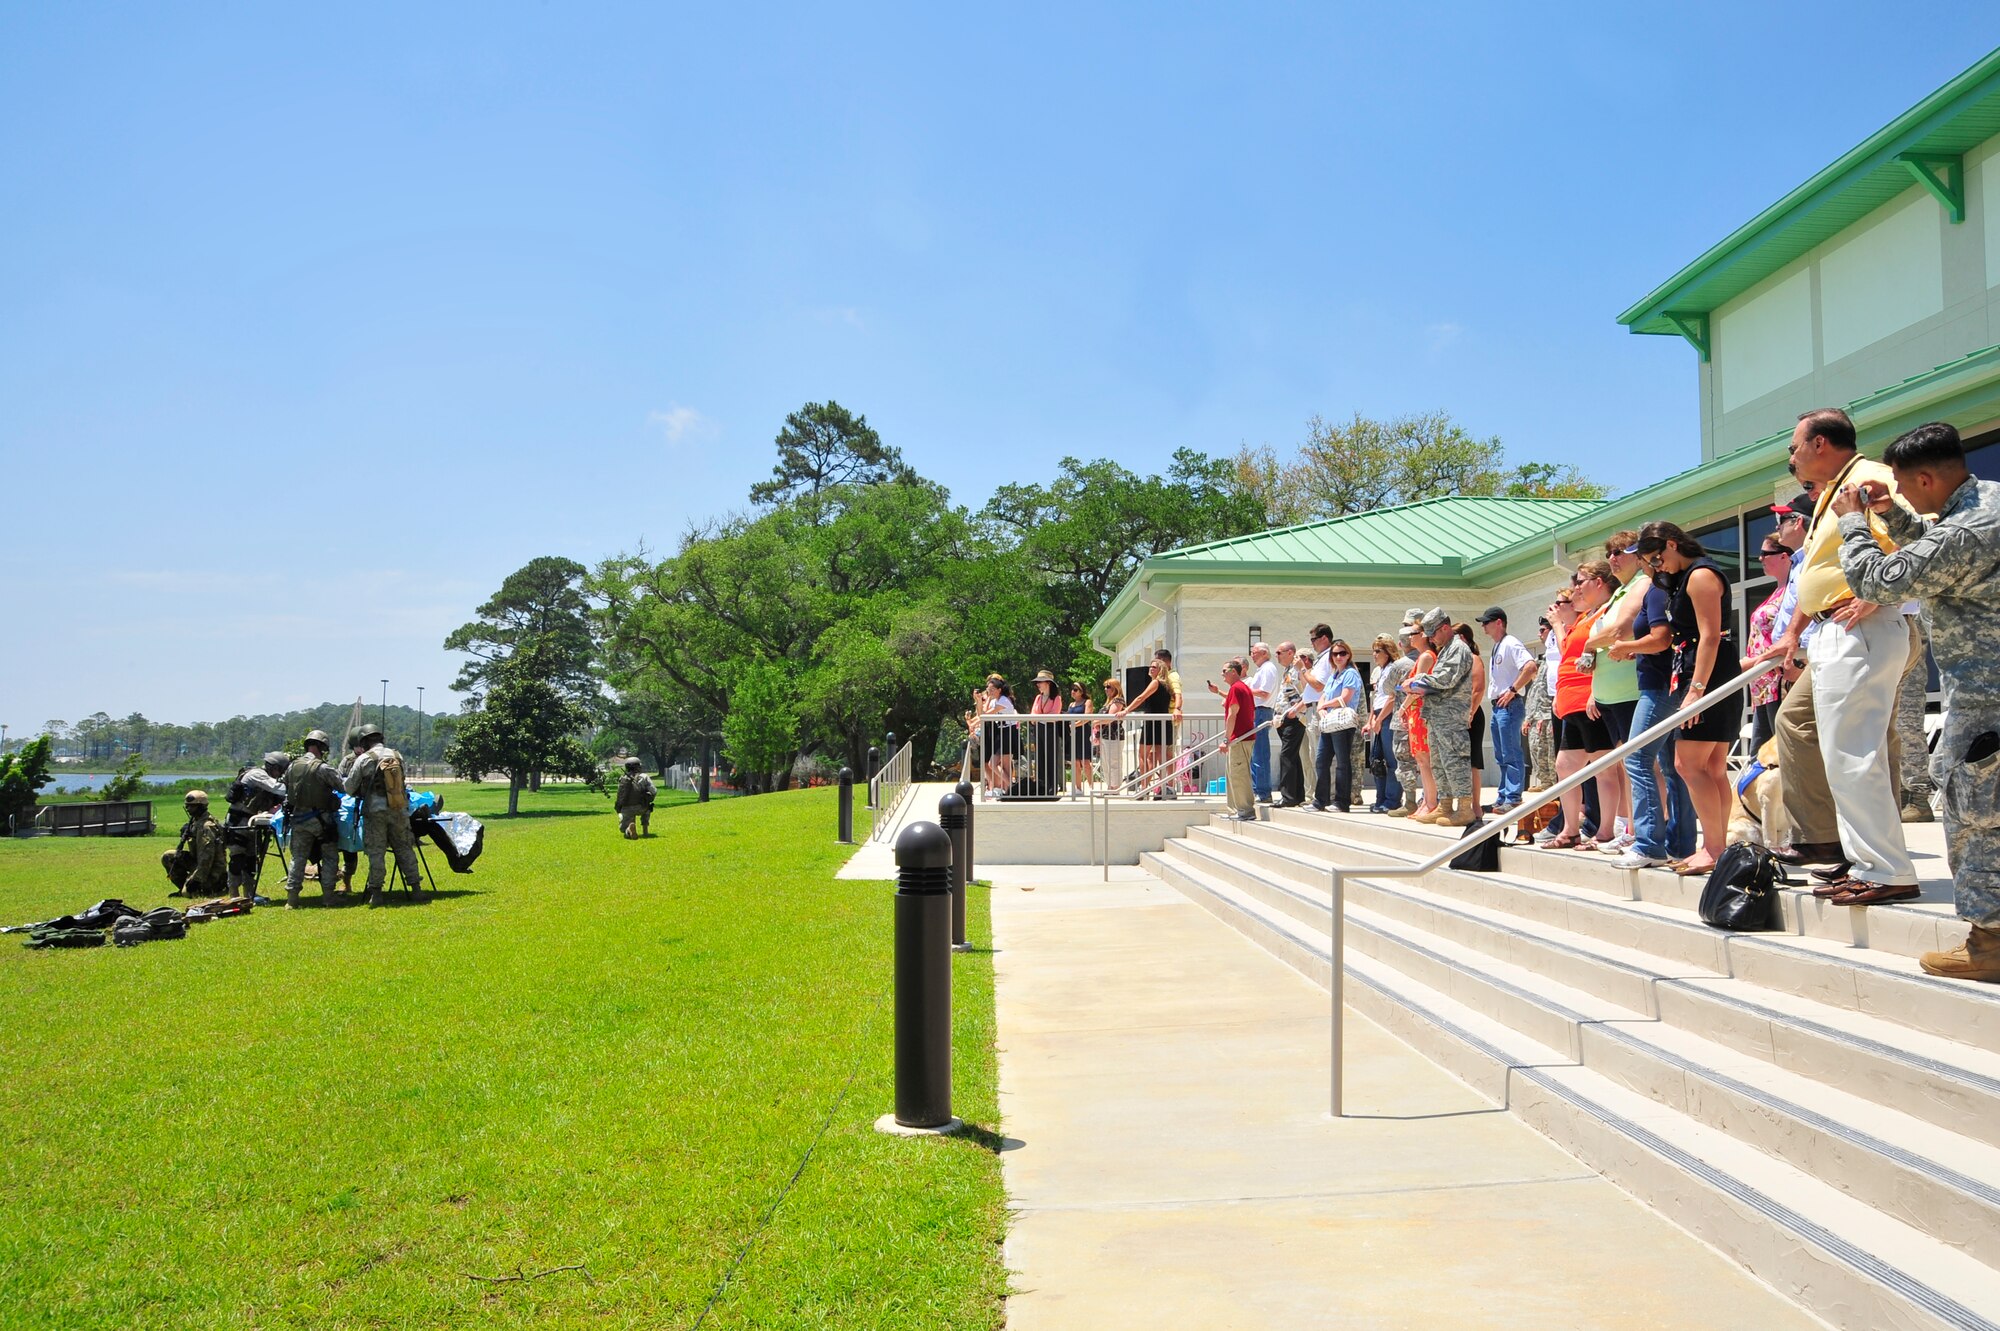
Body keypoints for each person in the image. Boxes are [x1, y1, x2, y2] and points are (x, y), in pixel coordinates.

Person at [1832, 421, 2000, 978]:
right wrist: (1895, 517)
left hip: (1985, 699)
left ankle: (1989, 943)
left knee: (1977, 817)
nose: (1900, 493)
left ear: (1926, 478)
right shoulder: (1986, 504)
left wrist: (1854, 522)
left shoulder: (1967, 531)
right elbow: (1938, 549)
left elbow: (1878, 581)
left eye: (1904, 486)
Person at [1774, 407, 1920, 904]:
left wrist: (1877, 595)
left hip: (1861, 627)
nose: (1791, 457)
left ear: (1820, 443)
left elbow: (1921, 535)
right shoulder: (1836, 491)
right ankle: (1864, 862)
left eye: (1794, 446)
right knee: (1842, 756)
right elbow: (1821, 571)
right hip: (1834, 629)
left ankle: (1887, 870)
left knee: (1855, 755)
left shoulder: (1873, 478)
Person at [1636, 522, 1745, 878]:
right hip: (1704, 669)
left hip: (1706, 673)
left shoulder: (1700, 575)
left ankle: (1713, 848)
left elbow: (1711, 636)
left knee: (1687, 764)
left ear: (1672, 544)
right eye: (1649, 563)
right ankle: (1717, 846)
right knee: (1711, 767)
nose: (1656, 566)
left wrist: (1696, 690)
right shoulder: (1684, 576)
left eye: (1657, 558)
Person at [1547, 566, 1620, 850]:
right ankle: (1570, 829)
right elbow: (1569, 654)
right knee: (1565, 766)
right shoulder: (1584, 619)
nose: (1575, 588)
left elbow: (1600, 655)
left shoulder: (1603, 614)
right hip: (1571, 702)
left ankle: (1606, 830)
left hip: (1589, 700)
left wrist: (1594, 692)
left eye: (1579, 583)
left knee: (1603, 768)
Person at [1405, 609, 1478, 826]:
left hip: (1451, 717)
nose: (1431, 639)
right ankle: (1445, 805)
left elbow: (1446, 678)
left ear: (1445, 628)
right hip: (1437, 716)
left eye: (1433, 633)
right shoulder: (1446, 649)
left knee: (1454, 761)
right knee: (1439, 762)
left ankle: (1464, 809)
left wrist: (1417, 681)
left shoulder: (1458, 648)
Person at [343, 721, 422, 907]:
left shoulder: (364, 759)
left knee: (376, 852)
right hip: (398, 809)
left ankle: (376, 893)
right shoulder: (397, 756)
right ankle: (416, 889)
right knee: (404, 848)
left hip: (374, 811)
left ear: (364, 742)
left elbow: (349, 788)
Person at [1479, 608, 1535, 814]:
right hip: (1499, 706)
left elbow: (1530, 667)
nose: (1483, 627)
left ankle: (1513, 797)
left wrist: (1512, 690)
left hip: (1509, 705)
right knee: (1501, 755)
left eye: (1486, 622)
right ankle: (1503, 796)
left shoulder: (1511, 643)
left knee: (1510, 752)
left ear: (1499, 622)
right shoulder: (1498, 645)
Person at [282, 730, 345, 906]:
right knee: (330, 856)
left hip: (298, 819)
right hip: (321, 820)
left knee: (298, 858)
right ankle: (328, 897)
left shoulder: (292, 766)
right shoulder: (323, 768)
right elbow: (342, 786)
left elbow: (285, 786)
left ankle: (292, 900)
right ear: (322, 748)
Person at [1745, 531, 1795, 752]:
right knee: (1761, 756)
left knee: (1781, 753)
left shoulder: (1792, 591)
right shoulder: (1777, 592)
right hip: (1763, 685)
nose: (1760, 558)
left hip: (1781, 681)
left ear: (1784, 556)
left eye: (1765, 553)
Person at [225, 751, 290, 893]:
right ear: (273, 767)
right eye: (281, 770)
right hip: (239, 821)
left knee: (251, 859)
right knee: (237, 857)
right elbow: (278, 789)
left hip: (253, 821)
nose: (280, 774)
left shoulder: (267, 777)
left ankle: (249, 894)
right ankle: (233, 893)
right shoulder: (257, 774)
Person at [1312, 637, 1362, 812]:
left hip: (1342, 723)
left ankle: (1341, 802)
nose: (1338, 657)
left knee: (1342, 762)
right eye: (1335, 654)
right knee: (1321, 760)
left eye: (1342, 653)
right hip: (1329, 722)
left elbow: (1345, 698)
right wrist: (1321, 708)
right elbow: (1323, 696)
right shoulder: (1334, 675)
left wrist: (1324, 705)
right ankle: (1320, 800)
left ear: (1348, 655)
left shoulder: (1350, 673)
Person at [1394, 624, 1439, 819]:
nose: (1410, 637)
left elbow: (1416, 687)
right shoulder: (1422, 656)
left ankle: (1431, 803)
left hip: (1421, 711)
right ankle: (1427, 802)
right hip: (1416, 711)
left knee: (1424, 759)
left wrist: (1403, 707)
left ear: (1423, 635)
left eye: (1413, 633)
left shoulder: (1427, 656)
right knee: (1421, 759)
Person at [1126, 650, 1183, 797]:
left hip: (1152, 722)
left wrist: (1126, 710)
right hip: (1164, 723)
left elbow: (1140, 698)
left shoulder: (1156, 682)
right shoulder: (1167, 683)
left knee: (1143, 754)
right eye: (1150, 666)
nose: (1151, 669)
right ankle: (1164, 787)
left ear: (1160, 669)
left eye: (1154, 667)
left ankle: (1144, 787)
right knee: (1161, 756)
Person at [1363, 634, 1408, 813]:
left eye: (1377, 651)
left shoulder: (1392, 669)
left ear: (1387, 652)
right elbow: (1376, 698)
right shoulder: (1379, 671)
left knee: (1391, 760)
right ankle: (1380, 799)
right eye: (1373, 651)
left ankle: (1392, 800)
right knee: (1377, 761)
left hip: (1388, 716)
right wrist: (1371, 720)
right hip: (1378, 715)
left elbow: (1392, 697)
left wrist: (1380, 719)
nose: (1374, 654)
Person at [161, 789, 227, 898]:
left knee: (187, 893)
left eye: (192, 806)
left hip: (212, 871)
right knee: (168, 856)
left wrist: (197, 879)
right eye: (187, 806)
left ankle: (203, 888)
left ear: (201, 807)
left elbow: (207, 857)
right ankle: (186, 886)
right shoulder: (196, 821)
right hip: (197, 862)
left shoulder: (206, 826)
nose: (188, 809)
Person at [1523, 609, 1560, 795]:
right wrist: (1529, 717)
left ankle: (1554, 788)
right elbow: (1536, 692)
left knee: (1551, 755)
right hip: (1538, 716)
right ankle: (1546, 784)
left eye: (1542, 630)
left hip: (1549, 715)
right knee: (1538, 752)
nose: (1539, 634)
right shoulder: (1544, 660)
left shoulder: (1555, 658)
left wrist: (1549, 717)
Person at [1453, 624, 1489, 816]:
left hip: (1471, 716)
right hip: (1456, 715)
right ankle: (1461, 805)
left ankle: (1476, 807)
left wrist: (1470, 713)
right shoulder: (1454, 661)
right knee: (1457, 762)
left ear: (1463, 638)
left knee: (1472, 762)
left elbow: (1478, 688)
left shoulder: (1473, 659)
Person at [1216, 658, 1257, 819]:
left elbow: (1232, 714)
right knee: (1234, 774)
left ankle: (1245, 811)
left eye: (1224, 671)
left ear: (1234, 671)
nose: (1222, 674)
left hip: (1240, 739)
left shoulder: (1237, 688)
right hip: (1241, 738)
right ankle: (1236, 809)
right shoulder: (1242, 688)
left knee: (1239, 775)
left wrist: (1226, 740)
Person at [1272, 641, 1309, 808]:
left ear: (1290, 653)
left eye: (1279, 652)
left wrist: (1294, 711)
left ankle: (1287, 796)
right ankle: (1297, 796)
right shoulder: (1288, 670)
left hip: (1294, 719)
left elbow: (1306, 692)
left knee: (1286, 756)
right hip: (1285, 719)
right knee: (1292, 757)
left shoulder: (1297, 670)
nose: (1277, 656)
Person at [1247, 641, 1279, 803]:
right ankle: (1258, 790)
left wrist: (1245, 690)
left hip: (1262, 711)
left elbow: (1264, 693)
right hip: (1258, 711)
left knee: (1260, 753)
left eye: (1255, 652)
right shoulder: (1263, 669)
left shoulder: (1268, 668)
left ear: (1264, 653)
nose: (1252, 655)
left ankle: (1263, 792)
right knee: (1256, 754)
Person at [976, 677, 1018, 797]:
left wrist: (982, 704)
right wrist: (979, 701)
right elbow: (981, 715)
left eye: (992, 689)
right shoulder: (995, 701)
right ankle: (1012, 788)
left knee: (1004, 764)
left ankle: (1011, 789)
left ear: (999, 690)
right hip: (1001, 732)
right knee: (992, 764)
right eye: (988, 689)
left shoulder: (1003, 700)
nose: (990, 692)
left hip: (1008, 731)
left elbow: (985, 715)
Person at [1028, 670, 1064, 796]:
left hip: (1050, 729)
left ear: (1048, 683)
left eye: (1040, 682)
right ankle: (1041, 788)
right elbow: (1032, 715)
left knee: (1051, 758)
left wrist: (1039, 717)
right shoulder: (1038, 698)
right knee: (1040, 758)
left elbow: (1054, 715)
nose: (1038, 684)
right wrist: (1041, 717)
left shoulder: (1057, 698)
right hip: (1039, 729)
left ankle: (1052, 788)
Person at [1295, 646, 1322, 809]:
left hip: (1313, 712)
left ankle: (1319, 793)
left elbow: (1309, 690)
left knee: (1316, 754)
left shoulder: (1312, 672)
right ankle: (1310, 792)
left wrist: (1303, 671)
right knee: (1307, 757)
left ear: (1306, 658)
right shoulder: (1299, 672)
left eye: (1298, 657)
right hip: (1303, 716)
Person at [1096, 678, 1127, 795]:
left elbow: (1110, 718)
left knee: (1114, 761)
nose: (1106, 689)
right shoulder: (1108, 702)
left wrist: (1095, 722)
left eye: (1108, 687)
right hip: (1105, 735)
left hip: (1114, 735)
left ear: (1115, 688)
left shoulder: (1118, 700)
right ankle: (1110, 785)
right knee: (1105, 762)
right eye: (1105, 687)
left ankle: (1115, 787)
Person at [1065, 682, 1095, 796]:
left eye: (1075, 689)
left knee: (1085, 762)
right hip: (1073, 734)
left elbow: (1087, 717)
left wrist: (1075, 724)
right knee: (1075, 762)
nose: (1073, 691)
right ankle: (1078, 788)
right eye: (1072, 689)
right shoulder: (1071, 704)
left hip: (1083, 733)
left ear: (1082, 691)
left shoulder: (1087, 702)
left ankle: (1092, 787)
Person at [615, 757, 656, 839]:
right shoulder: (644, 777)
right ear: (638, 766)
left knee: (623, 830)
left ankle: (629, 829)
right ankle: (645, 831)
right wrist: (649, 798)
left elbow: (620, 794)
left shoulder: (622, 778)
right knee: (648, 808)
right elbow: (653, 791)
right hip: (642, 807)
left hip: (626, 808)